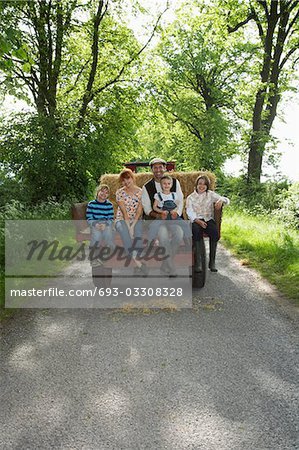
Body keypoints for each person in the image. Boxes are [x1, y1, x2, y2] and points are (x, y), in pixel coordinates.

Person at [141, 158, 185, 276]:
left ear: (165, 168)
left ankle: (166, 263)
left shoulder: (174, 182)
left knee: (179, 233)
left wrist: (177, 214)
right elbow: (147, 209)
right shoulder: (147, 187)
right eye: (155, 167)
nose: (158, 170)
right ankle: (171, 267)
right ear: (152, 170)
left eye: (161, 167)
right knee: (163, 235)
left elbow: (180, 201)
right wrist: (160, 215)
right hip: (157, 219)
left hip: (173, 218)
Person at [186, 175, 230, 272]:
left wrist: (221, 200)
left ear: (207, 186)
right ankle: (198, 263)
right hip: (196, 220)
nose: (202, 186)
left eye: (204, 185)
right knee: (196, 231)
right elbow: (189, 211)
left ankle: (212, 262)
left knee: (215, 233)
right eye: (200, 184)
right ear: (196, 185)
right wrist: (198, 221)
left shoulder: (210, 194)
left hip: (208, 219)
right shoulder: (191, 197)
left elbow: (227, 200)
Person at [115, 168, 148, 276]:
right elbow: (124, 212)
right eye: (123, 180)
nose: (126, 182)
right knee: (124, 231)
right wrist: (129, 227)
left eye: (128, 178)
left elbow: (139, 210)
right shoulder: (120, 192)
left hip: (136, 219)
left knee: (138, 232)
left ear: (132, 178)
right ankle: (138, 263)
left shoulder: (140, 192)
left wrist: (133, 226)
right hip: (121, 219)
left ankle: (136, 259)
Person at [147, 174, 192, 243]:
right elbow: (154, 207)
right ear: (161, 185)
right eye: (164, 183)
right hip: (163, 216)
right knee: (154, 225)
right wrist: (161, 211)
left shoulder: (174, 195)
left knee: (184, 224)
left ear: (171, 185)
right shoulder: (158, 195)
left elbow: (177, 205)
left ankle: (188, 239)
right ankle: (150, 240)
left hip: (172, 216)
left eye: (168, 183)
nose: (166, 185)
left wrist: (174, 210)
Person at [86, 184, 115, 267]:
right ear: (98, 192)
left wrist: (105, 224)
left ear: (108, 195)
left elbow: (111, 218)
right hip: (95, 223)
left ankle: (109, 250)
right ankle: (93, 257)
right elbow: (89, 217)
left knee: (108, 233)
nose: (104, 194)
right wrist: (95, 224)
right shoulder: (91, 204)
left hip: (105, 224)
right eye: (102, 191)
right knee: (96, 236)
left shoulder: (109, 205)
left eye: (106, 192)